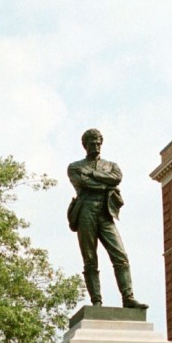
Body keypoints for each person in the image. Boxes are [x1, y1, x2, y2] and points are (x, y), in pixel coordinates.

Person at [67, 128, 148, 309]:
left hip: (106, 213)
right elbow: (82, 183)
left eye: (98, 143)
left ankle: (128, 297)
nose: (96, 146)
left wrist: (95, 176)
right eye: (92, 143)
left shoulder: (111, 165)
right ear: (84, 145)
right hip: (85, 211)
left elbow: (116, 178)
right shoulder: (75, 167)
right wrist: (105, 184)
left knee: (120, 255)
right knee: (90, 259)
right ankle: (96, 301)